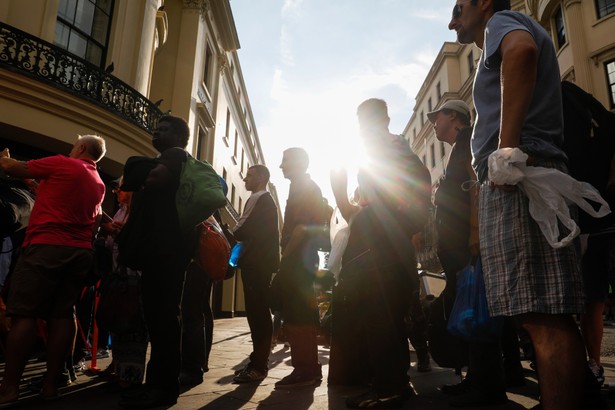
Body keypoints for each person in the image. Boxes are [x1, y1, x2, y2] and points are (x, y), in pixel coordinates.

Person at [448, 2, 595, 409]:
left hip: (518, 174)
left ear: (483, 3)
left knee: (543, 315)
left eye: (459, 8)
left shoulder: (503, 22)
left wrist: (506, 152)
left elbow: (521, 51)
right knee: (541, 312)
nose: (452, 20)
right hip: (518, 173)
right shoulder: (507, 28)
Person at [330, 98, 431, 409]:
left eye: (365, 121)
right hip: (387, 243)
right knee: (387, 318)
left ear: (382, 121)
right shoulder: (388, 148)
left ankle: (389, 387)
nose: (362, 129)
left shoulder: (389, 148)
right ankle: (394, 384)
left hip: (383, 248)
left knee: (380, 317)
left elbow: (418, 185)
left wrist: (352, 205)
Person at [0, 135, 106, 406]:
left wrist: (4, 157)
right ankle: (51, 387)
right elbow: (59, 197)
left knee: (25, 314)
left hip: (46, 247)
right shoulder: (98, 182)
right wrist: (31, 184)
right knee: (63, 314)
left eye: (74, 144)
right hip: (79, 253)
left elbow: (13, 168)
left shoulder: (63, 164)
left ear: (80, 147)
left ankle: (9, 388)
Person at [427, 99, 509, 406]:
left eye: (438, 117)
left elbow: (477, 184)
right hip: (457, 241)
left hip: (466, 241)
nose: (434, 123)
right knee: (474, 306)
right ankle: (481, 377)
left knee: (477, 308)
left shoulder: (470, 139)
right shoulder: (457, 146)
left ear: (454, 117)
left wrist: (475, 231)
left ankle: (488, 384)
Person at [116, 115, 200, 408]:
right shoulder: (168, 157)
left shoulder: (176, 157)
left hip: (167, 252)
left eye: (163, 130)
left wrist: (134, 165)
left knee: (164, 319)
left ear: (179, 136)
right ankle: (157, 384)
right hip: (161, 252)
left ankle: (163, 389)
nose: (155, 132)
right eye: (156, 128)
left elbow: (149, 178)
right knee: (159, 319)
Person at [274, 147, 324, 389]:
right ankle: (309, 368)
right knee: (299, 313)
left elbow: (301, 228)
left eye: (285, 161)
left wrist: (286, 257)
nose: (281, 166)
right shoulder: (302, 186)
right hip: (303, 258)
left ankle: (305, 369)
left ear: (299, 163)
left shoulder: (304, 187)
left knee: (298, 314)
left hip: (298, 259)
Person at [232, 164, 280, 383]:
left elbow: (243, 229)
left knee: (257, 314)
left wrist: (225, 233)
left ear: (261, 178)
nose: (244, 180)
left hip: (256, 264)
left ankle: (259, 365)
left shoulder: (259, 198)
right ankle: (258, 361)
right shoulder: (265, 200)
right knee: (259, 313)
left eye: (249, 176)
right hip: (261, 263)